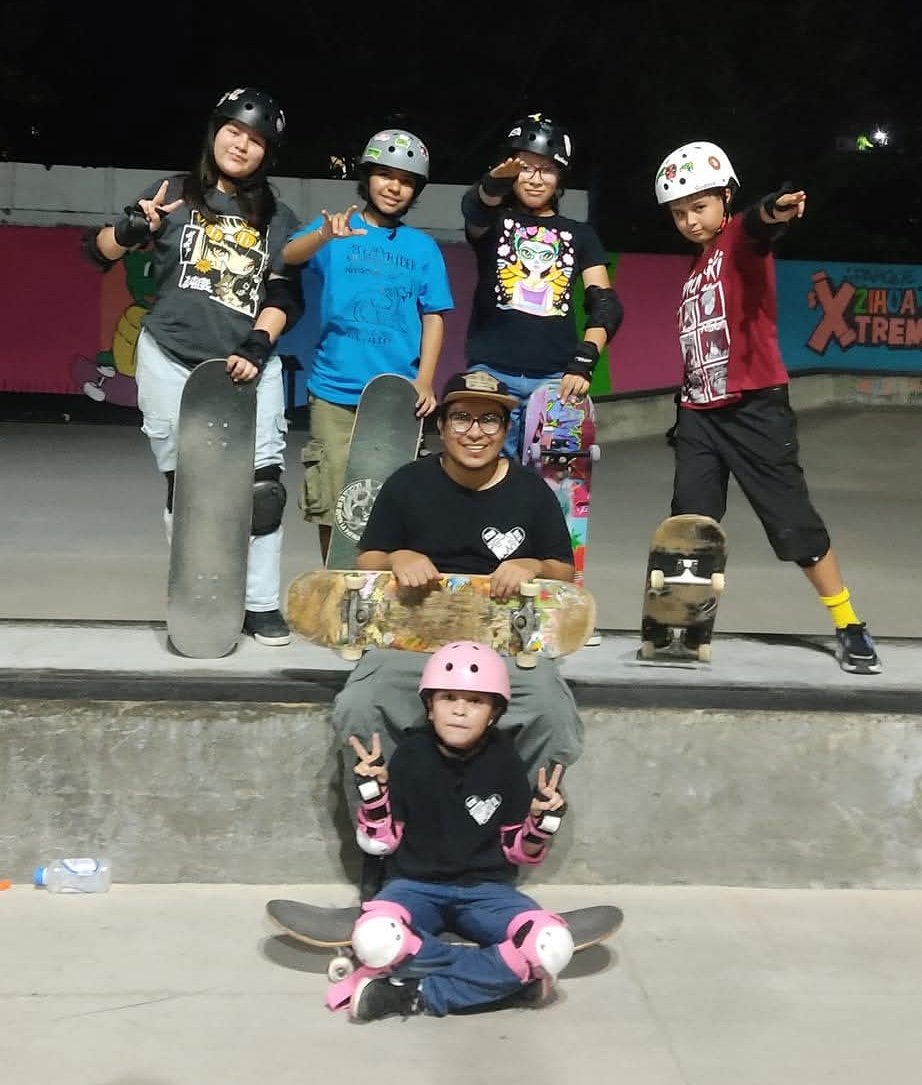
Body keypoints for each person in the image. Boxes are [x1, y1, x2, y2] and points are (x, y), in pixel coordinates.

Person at [82, 87, 303, 647]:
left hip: (250, 364)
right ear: (215, 132)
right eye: (234, 131)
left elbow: (284, 295)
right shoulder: (173, 194)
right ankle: (197, 594)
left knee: (263, 490)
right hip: (171, 358)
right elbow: (97, 252)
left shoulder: (279, 216)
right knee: (188, 488)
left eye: (255, 141)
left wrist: (258, 345)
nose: (241, 145)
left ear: (268, 153)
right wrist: (133, 229)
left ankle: (259, 603)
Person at [653, 140, 881, 674]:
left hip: (755, 409)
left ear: (726, 198)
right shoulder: (696, 268)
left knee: (792, 524)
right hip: (698, 413)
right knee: (690, 523)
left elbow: (761, 223)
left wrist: (776, 208)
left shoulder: (738, 240)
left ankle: (849, 623)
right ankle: (681, 625)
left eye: (699, 207)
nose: (690, 221)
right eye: (679, 213)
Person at [330, 368, 585, 815]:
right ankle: (381, 820)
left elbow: (562, 570)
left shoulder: (530, 491)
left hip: (505, 641)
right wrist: (399, 557)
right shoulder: (408, 483)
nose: (475, 432)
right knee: (358, 705)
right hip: (413, 637)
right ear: (442, 425)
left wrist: (531, 565)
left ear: (505, 429)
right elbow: (367, 559)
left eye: (490, 420)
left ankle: (519, 823)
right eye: (462, 418)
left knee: (552, 711)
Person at [327, 640, 574, 1021]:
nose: (459, 710)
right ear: (429, 706)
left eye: (475, 701)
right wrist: (374, 796)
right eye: (447, 698)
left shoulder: (506, 763)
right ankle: (508, 978)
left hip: (487, 892)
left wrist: (539, 827)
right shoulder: (410, 756)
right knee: (373, 939)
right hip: (414, 886)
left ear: (494, 714)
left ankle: (414, 994)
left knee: (553, 945)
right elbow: (382, 843)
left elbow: (517, 851)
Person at [281, 129, 454, 562]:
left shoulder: (422, 248)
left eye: (406, 181)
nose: (394, 187)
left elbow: (434, 316)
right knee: (333, 500)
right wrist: (323, 235)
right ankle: (336, 581)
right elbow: (289, 254)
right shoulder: (338, 231)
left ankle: (385, 588)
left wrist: (425, 381)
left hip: (396, 398)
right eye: (385, 175)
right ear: (367, 177)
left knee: (393, 502)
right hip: (334, 392)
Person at [460, 112, 623, 459]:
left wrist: (584, 360)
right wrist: (493, 183)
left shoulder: (580, 234)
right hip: (491, 374)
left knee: (553, 482)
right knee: (486, 475)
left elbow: (606, 305)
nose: (535, 179)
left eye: (547, 169)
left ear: (560, 177)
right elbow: (474, 210)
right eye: (526, 168)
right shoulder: (495, 224)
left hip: (554, 379)